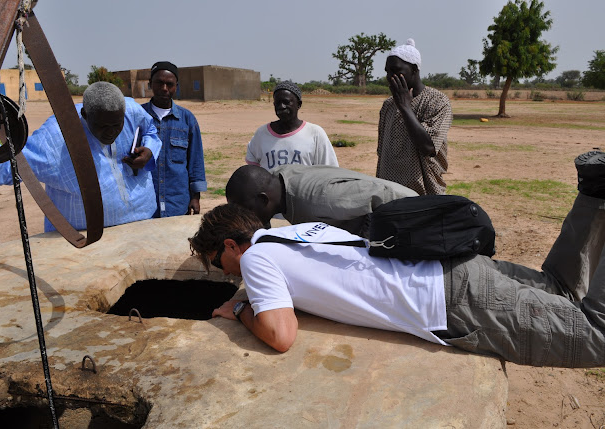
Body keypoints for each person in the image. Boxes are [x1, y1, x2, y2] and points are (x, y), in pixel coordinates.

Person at [189, 152, 605, 367]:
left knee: (598, 336)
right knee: (561, 291)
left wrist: (241, 307)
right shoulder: (294, 233)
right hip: (453, 271)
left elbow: (280, 336)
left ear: (229, 246)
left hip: (452, 302)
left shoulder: (258, 258)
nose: (227, 275)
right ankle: (594, 191)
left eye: (217, 262)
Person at [0, 82, 162, 232]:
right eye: (102, 126)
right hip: (81, 240)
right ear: (85, 115)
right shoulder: (55, 137)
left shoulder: (131, 110)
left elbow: (150, 130)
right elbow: (7, 167)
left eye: (117, 125)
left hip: (142, 225)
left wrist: (149, 150)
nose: (111, 132)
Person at [225, 164, 417, 237]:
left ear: (263, 199)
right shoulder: (279, 181)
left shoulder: (317, 198)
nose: (245, 217)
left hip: (411, 220)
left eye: (246, 211)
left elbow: (386, 197)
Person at [376, 38, 453, 195]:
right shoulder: (388, 106)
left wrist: (405, 107)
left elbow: (428, 147)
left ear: (414, 70)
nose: (390, 76)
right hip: (389, 195)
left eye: (396, 71)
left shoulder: (437, 101)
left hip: (424, 196)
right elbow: (382, 153)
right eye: (387, 71)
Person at [142, 61, 207, 216]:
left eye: (169, 84)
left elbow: (195, 161)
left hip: (177, 204)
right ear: (150, 84)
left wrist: (195, 197)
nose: (164, 89)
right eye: (159, 83)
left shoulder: (187, 119)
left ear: (176, 86)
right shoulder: (138, 115)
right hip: (145, 204)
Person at [245, 81, 338, 171]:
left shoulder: (315, 133)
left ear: (299, 104)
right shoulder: (262, 133)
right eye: (277, 103)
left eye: (286, 102)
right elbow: (253, 164)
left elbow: (329, 171)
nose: (281, 106)